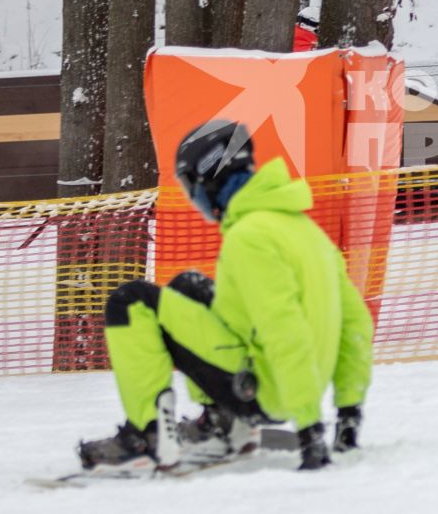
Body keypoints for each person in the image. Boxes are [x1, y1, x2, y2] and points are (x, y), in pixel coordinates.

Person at [77, 119, 374, 473]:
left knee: (132, 301)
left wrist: (309, 428)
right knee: (190, 288)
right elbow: (355, 326)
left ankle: (147, 437)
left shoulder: (250, 236)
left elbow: (282, 326)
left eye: (191, 186)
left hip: (264, 389)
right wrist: (348, 417)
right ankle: (223, 426)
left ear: (210, 180)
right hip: (280, 380)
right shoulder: (307, 233)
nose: (194, 198)